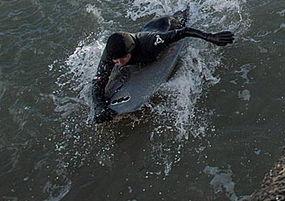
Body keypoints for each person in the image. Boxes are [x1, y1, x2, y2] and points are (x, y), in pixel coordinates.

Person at [92, 10, 234, 123]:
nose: (118, 62)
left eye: (122, 58)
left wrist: (210, 37)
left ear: (131, 50)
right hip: (145, 30)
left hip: (166, 25)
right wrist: (99, 107)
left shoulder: (152, 42)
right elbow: (98, 83)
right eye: (115, 60)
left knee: (182, 16)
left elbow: (183, 32)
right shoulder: (110, 55)